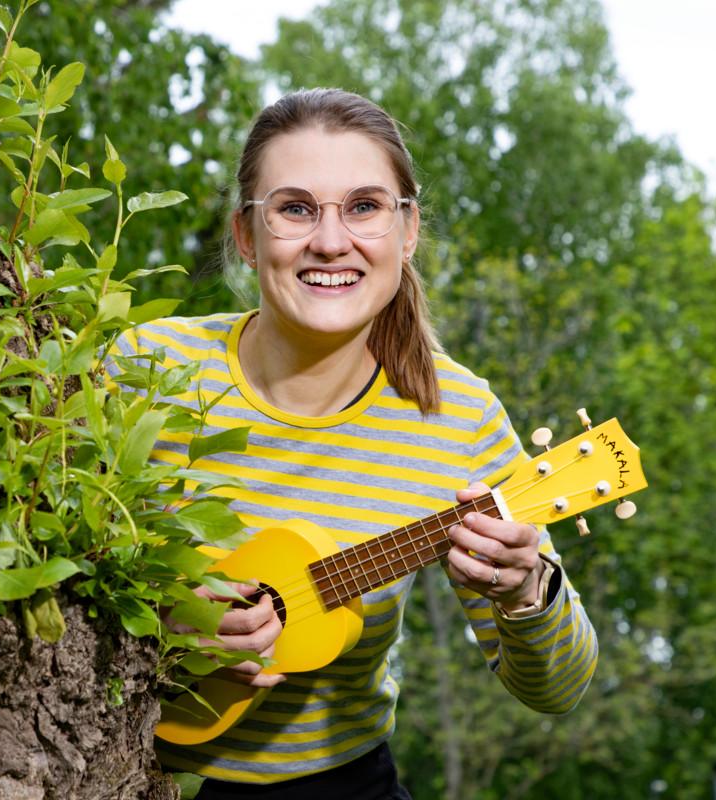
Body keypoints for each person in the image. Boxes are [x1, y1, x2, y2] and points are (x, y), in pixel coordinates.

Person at [112, 88, 597, 799]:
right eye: (296, 208)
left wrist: (527, 592)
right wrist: (157, 625)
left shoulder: (457, 415)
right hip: (121, 774)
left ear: (407, 232)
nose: (331, 241)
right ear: (246, 234)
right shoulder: (143, 371)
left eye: (365, 207)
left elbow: (559, 689)